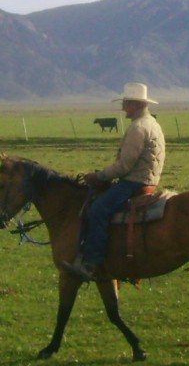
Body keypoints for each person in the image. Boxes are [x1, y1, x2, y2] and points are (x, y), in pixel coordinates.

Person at [61, 82, 166, 282]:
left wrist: (98, 176)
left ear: (134, 104)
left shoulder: (138, 128)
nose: (122, 107)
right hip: (147, 178)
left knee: (98, 209)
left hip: (134, 181)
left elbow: (124, 166)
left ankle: (91, 263)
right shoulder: (152, 123)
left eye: (125, 102)